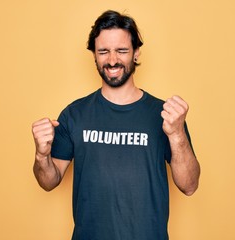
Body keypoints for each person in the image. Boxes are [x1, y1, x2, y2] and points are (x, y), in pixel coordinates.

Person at [32, 10, 200, 240]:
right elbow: (48, 182)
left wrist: (178, 135)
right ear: (94, 55)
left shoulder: (166, 116)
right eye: (103, 51)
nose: (112, 60)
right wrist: (42, 155)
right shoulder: (74, 114)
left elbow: (189, 186)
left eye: (121, 51)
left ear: (136, 53)